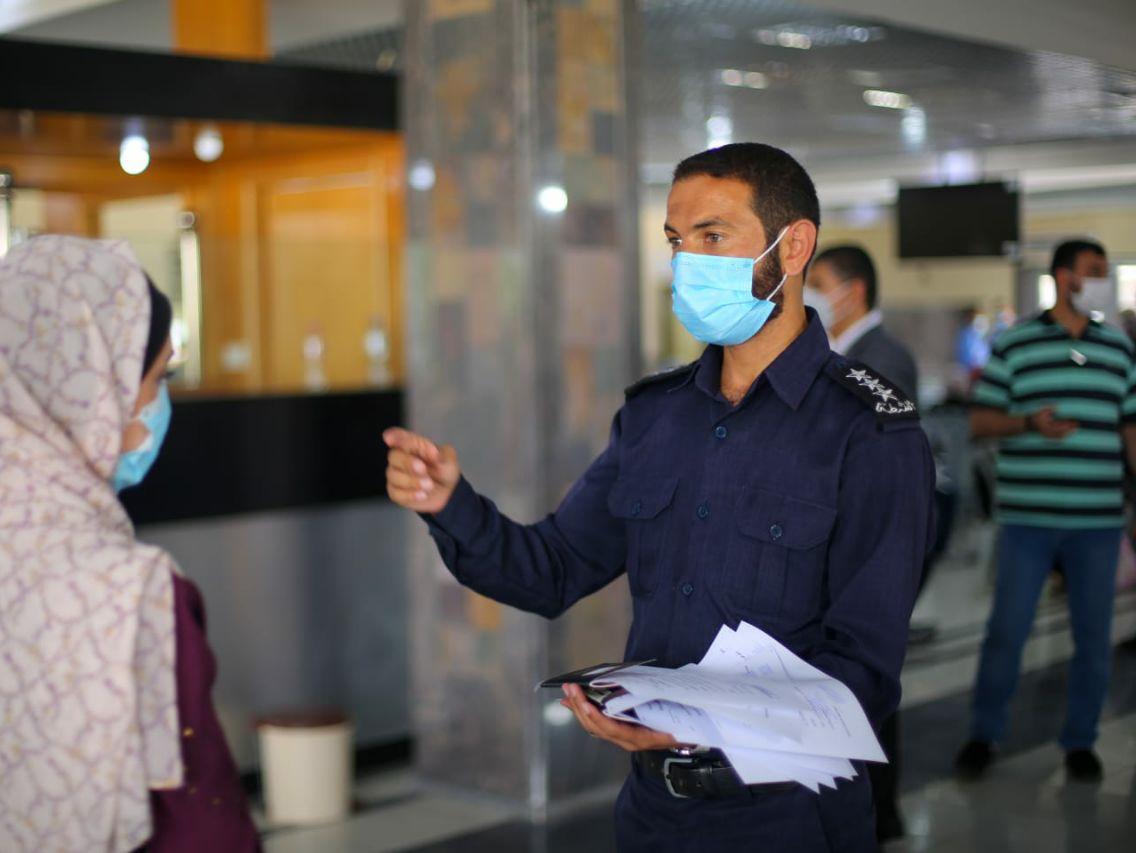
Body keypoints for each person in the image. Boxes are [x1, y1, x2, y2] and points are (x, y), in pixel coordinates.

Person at [384, 143, 935, 851]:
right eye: (677, 241)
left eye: (713, 237)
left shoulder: (868, 432)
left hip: (790, 816)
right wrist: (449, 504)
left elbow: (864, 672)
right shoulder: (656, 417)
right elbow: (550, 569)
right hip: (653, 812)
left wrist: (706, 726)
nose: (687, 262)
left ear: (794, 247)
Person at [0, 237, 258, 851]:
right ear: (84, 392)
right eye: (159, 378)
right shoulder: (131, 592)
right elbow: (203, 827)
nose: (161, 406)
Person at [956, 238, 1133, 784]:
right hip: (1027, 521)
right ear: (1062, 277)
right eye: (1093, 271)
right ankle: (984, 734)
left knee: (1093, 638)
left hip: (1098, 522)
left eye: (1104, 272)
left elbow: (1130, 427)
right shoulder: (1016, 344)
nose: (1101, 281)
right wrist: (1029, 423)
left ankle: (1081, 740)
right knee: (1007, 632)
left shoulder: (1118, 348)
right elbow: (980, 423)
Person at [806, 244, 922, 843]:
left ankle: (879, 809)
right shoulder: (840, 353)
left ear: (852, 292)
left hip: (867, 542)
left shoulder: (882, 359)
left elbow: (878, 466)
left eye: (817, 283)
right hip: (834, 542)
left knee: (869, 668)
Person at [805, 244, 918, 401]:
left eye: (817, 285)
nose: (807, 295)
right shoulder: (828, 352)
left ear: (854, 292)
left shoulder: (886, 359)